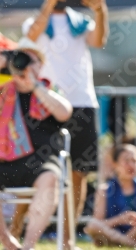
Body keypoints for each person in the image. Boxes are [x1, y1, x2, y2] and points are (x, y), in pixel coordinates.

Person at [18, 0, 109, 242]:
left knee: (78, 173)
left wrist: (100, 10)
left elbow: (98, 41)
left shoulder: (80, 22)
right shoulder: (34, 22)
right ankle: (15, 231)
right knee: (37, 172)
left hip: (82, 101)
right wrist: (50, 3)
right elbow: (28, 41)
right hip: (46, 103)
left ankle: (68, 239)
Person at [0, 38, 73, 250]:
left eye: (32, 60)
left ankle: (29, 245)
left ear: (41, 66)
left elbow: (64, 112)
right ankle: (6, 241)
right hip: (6, 159)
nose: (26, 64)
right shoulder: (4, 90)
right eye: (22, 59)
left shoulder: (48, 90)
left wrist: (35, 86)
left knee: (50, 178)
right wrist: (6, 61)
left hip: (41, 163)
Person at [85, 144, 136, 248]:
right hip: (112, 236)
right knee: (93, 225)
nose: (131, 165)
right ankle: (134, 245)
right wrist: (119, 220)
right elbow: (99, 224)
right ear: (115, 164)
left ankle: (125, 243)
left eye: (135, 161)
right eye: (126, 161)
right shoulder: (104, 190)